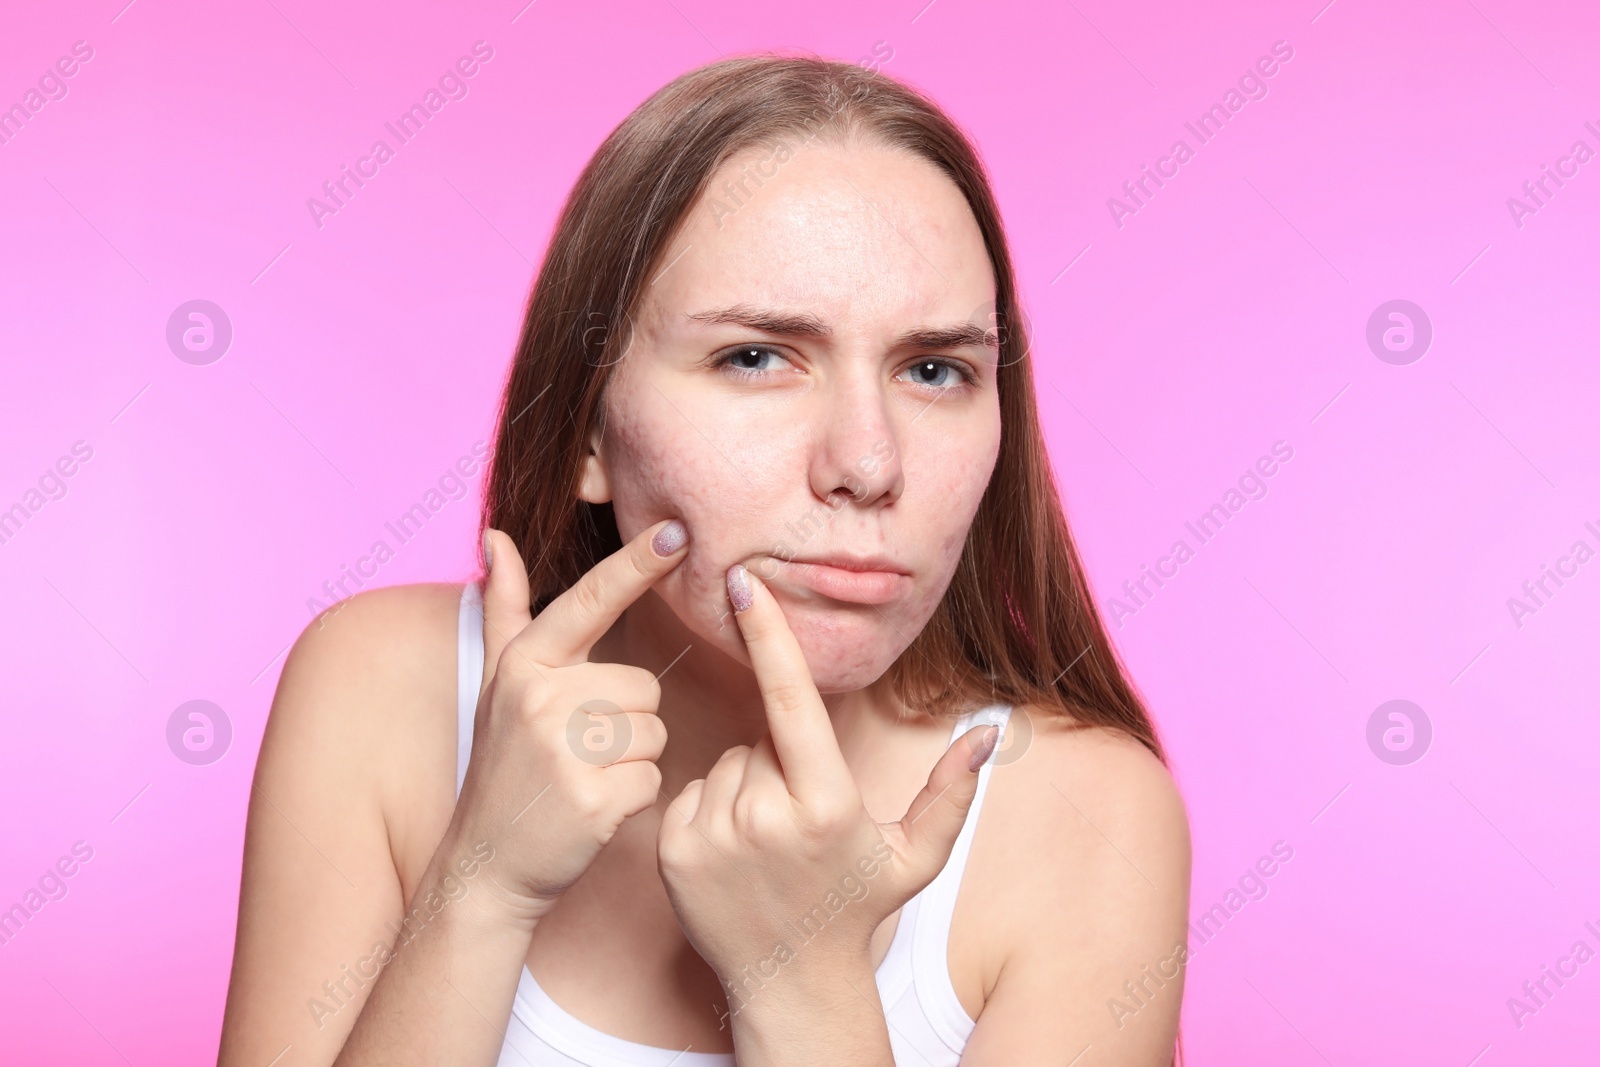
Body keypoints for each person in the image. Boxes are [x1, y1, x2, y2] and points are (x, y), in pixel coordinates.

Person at [218, 53, 1191, 1067]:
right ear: (590, 429)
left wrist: (806, 982)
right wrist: (484, 885)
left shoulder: (1085, 816)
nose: (866, 462)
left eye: (935, 369)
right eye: (757, 356)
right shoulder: (381, 687)